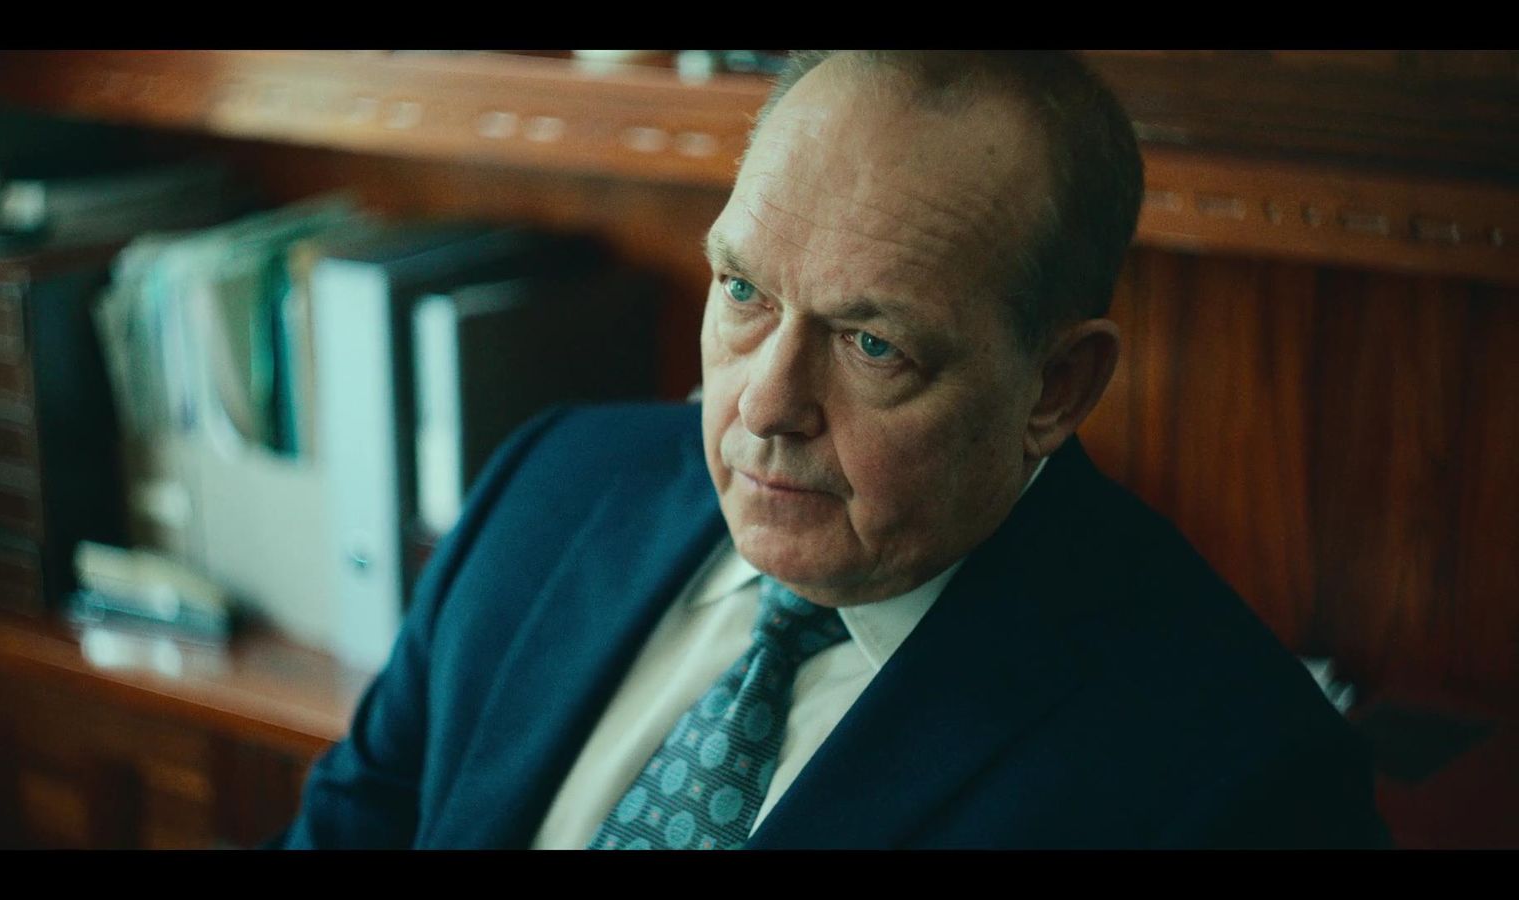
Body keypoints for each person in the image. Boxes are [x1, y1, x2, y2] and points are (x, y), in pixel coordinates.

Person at [270, 50, 1390, 849]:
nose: (764, 405)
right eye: (744, 289)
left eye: (871, 343)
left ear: (1055, 387)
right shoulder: (549, 488)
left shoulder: (1233, 782)